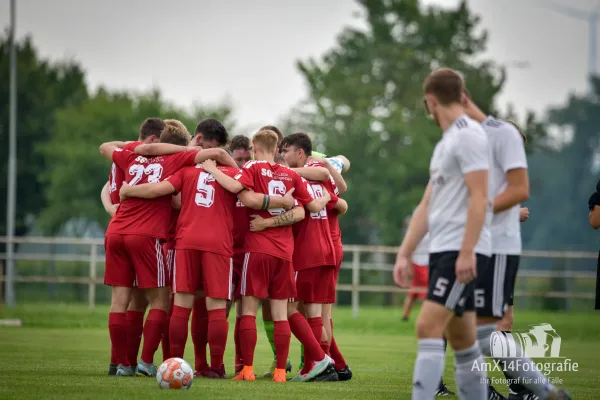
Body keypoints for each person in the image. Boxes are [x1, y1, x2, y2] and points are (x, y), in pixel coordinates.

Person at [99, 123, 237, 377]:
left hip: (122, 230)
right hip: (154, 236)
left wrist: (120, 198)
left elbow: (106, 157)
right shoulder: (184, 161)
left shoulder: (131, 154)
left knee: (126, 303)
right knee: (170, 302)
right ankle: (153, 362)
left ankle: (122, 364)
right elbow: (230, 181)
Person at [201, 129, 333, 382]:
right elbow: (304, 211)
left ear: (254, 147)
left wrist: (212, 170)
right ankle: (281, 372)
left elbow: (236, 188)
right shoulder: (291, 174)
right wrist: (321, 196)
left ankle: (247, 370)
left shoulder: (251, 167)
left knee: (248, 310)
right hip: (285, 253)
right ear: (276, 149)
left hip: (257, 249)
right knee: (281, 313)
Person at [462, 93, 570, 400]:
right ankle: (522, 388)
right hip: (491, 250)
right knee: (485, 326)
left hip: (497, 251)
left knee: (489, 324)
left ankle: (515, 388)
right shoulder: (491, 169)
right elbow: (481, 203)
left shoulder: (500, 170)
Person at [393, 68, 492, 400]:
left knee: (427, 326)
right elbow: (426, 204)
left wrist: (467, 251)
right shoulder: (447, 142)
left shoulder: (470, 135)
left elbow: (481, 196)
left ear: (431, 101)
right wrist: (405, 253)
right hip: (443, 250)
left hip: (458, 251)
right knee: (463, 341)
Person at [280, 132, 351, 381]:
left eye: (286, 150)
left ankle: (319, 362)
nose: (282, 155)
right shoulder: (318, 178)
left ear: (301, 153)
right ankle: (326, 364)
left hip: (307, 252)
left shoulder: (295, 177)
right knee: (319, 313)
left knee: (287, 309)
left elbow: (328, 200)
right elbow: (340, 198)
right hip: (327, 249)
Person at [100, 118, 161, 375]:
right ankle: (142, 362)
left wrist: (110, 207)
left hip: (116, 228)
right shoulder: (151, 160)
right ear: (155, 141)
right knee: (158, 300)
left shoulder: (123, 156)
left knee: (122, 302)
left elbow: (106, 188)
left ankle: (119, 362)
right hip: (143, 229)